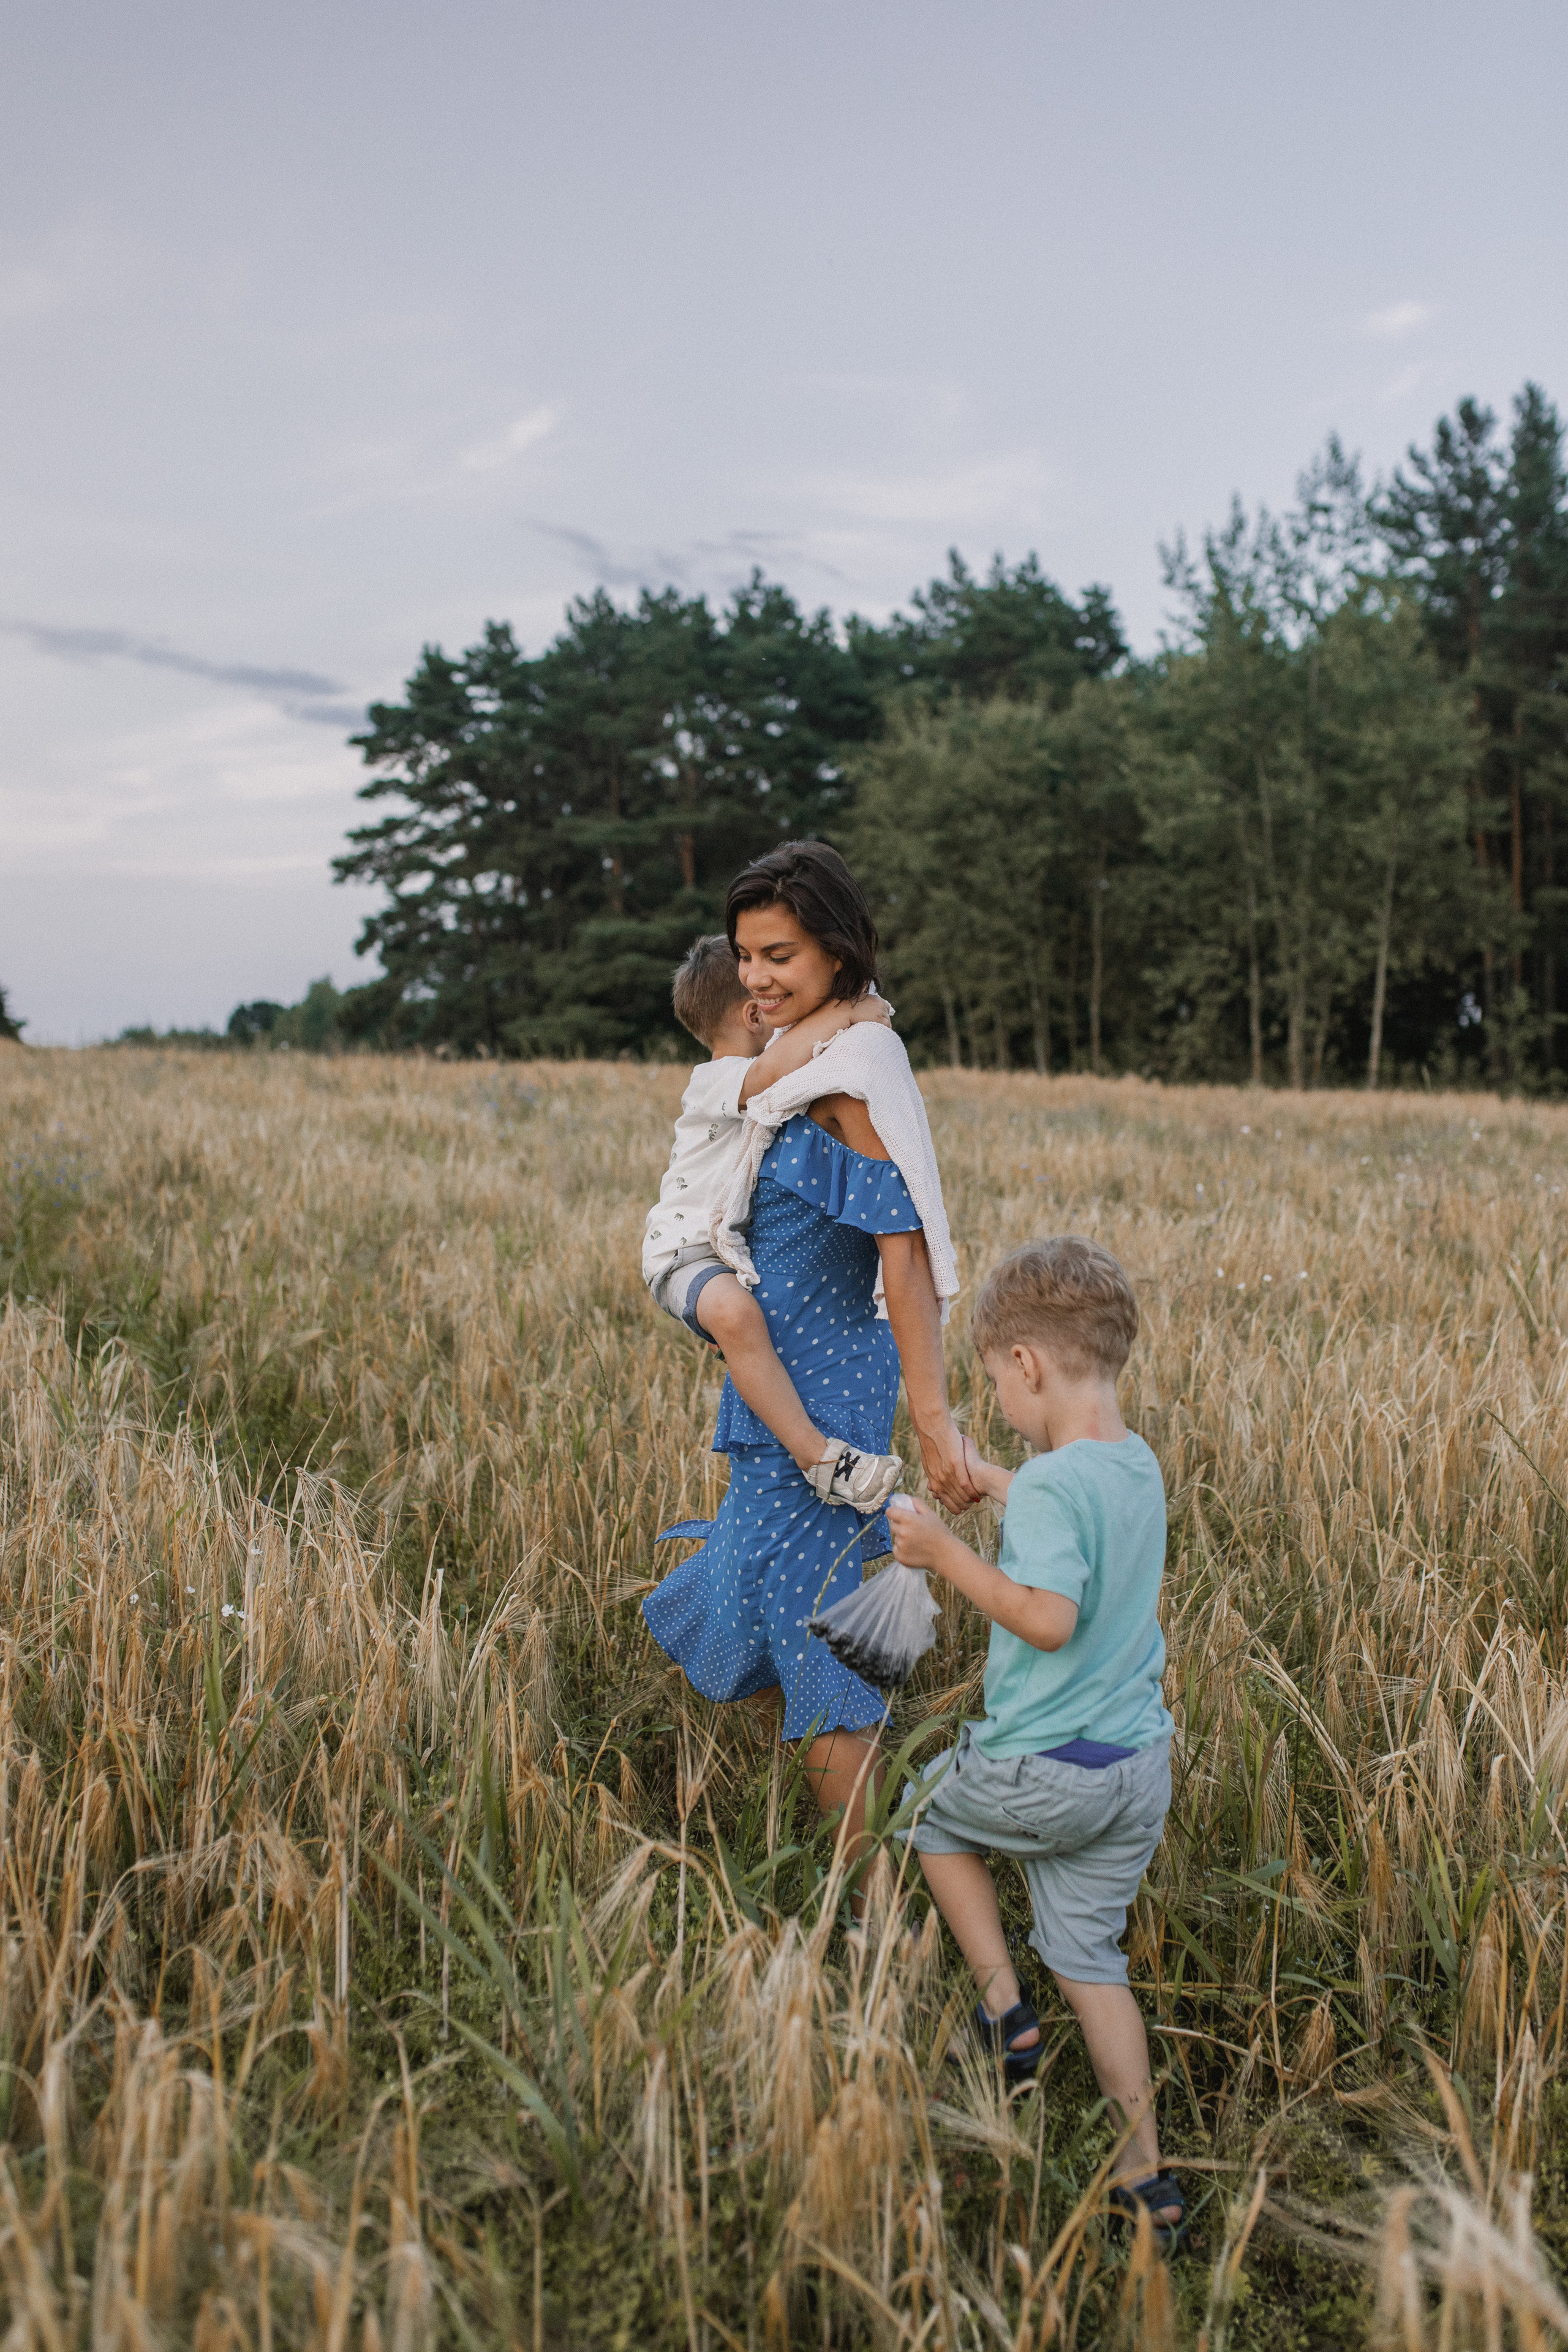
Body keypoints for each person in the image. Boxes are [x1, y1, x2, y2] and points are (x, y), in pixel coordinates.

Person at [643, 842, 978, 1875]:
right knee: (766, 1592)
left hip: (822, 1405)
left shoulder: (851, 1082)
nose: (754, 977)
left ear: (836, 949)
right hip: (773, 1395)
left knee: (813, 1633)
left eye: (778, 955)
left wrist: (933, 1419)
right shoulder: (801, 1063)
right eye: (745, 955)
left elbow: (902, 1253)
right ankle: (845, 1832)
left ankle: (871, 1906)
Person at [888, 1237, 1185, 2247]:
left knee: (925, 1811)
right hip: (1133, 1771)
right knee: (1091, 1960)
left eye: (996, 1385)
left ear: (1027, 1366)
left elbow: (1048, 1617)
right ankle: (1147, 2185)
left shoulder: (1059, 1487)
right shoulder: (1133, 1464)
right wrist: (991, 1476)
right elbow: (1071, 1506)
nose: (1002, 1402)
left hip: (1044, 1768)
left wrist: (943, 1551)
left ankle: (1003, 2014)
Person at [643, 932, 903, 1513]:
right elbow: (779, 1068)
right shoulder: (719, 1079)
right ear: (753, 1014)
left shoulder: (763, 1081)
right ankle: (820, 1460)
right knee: (738, 1318)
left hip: (723, 1255)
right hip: (683, 1256)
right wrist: (850, 1010)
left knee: (747, 1323)